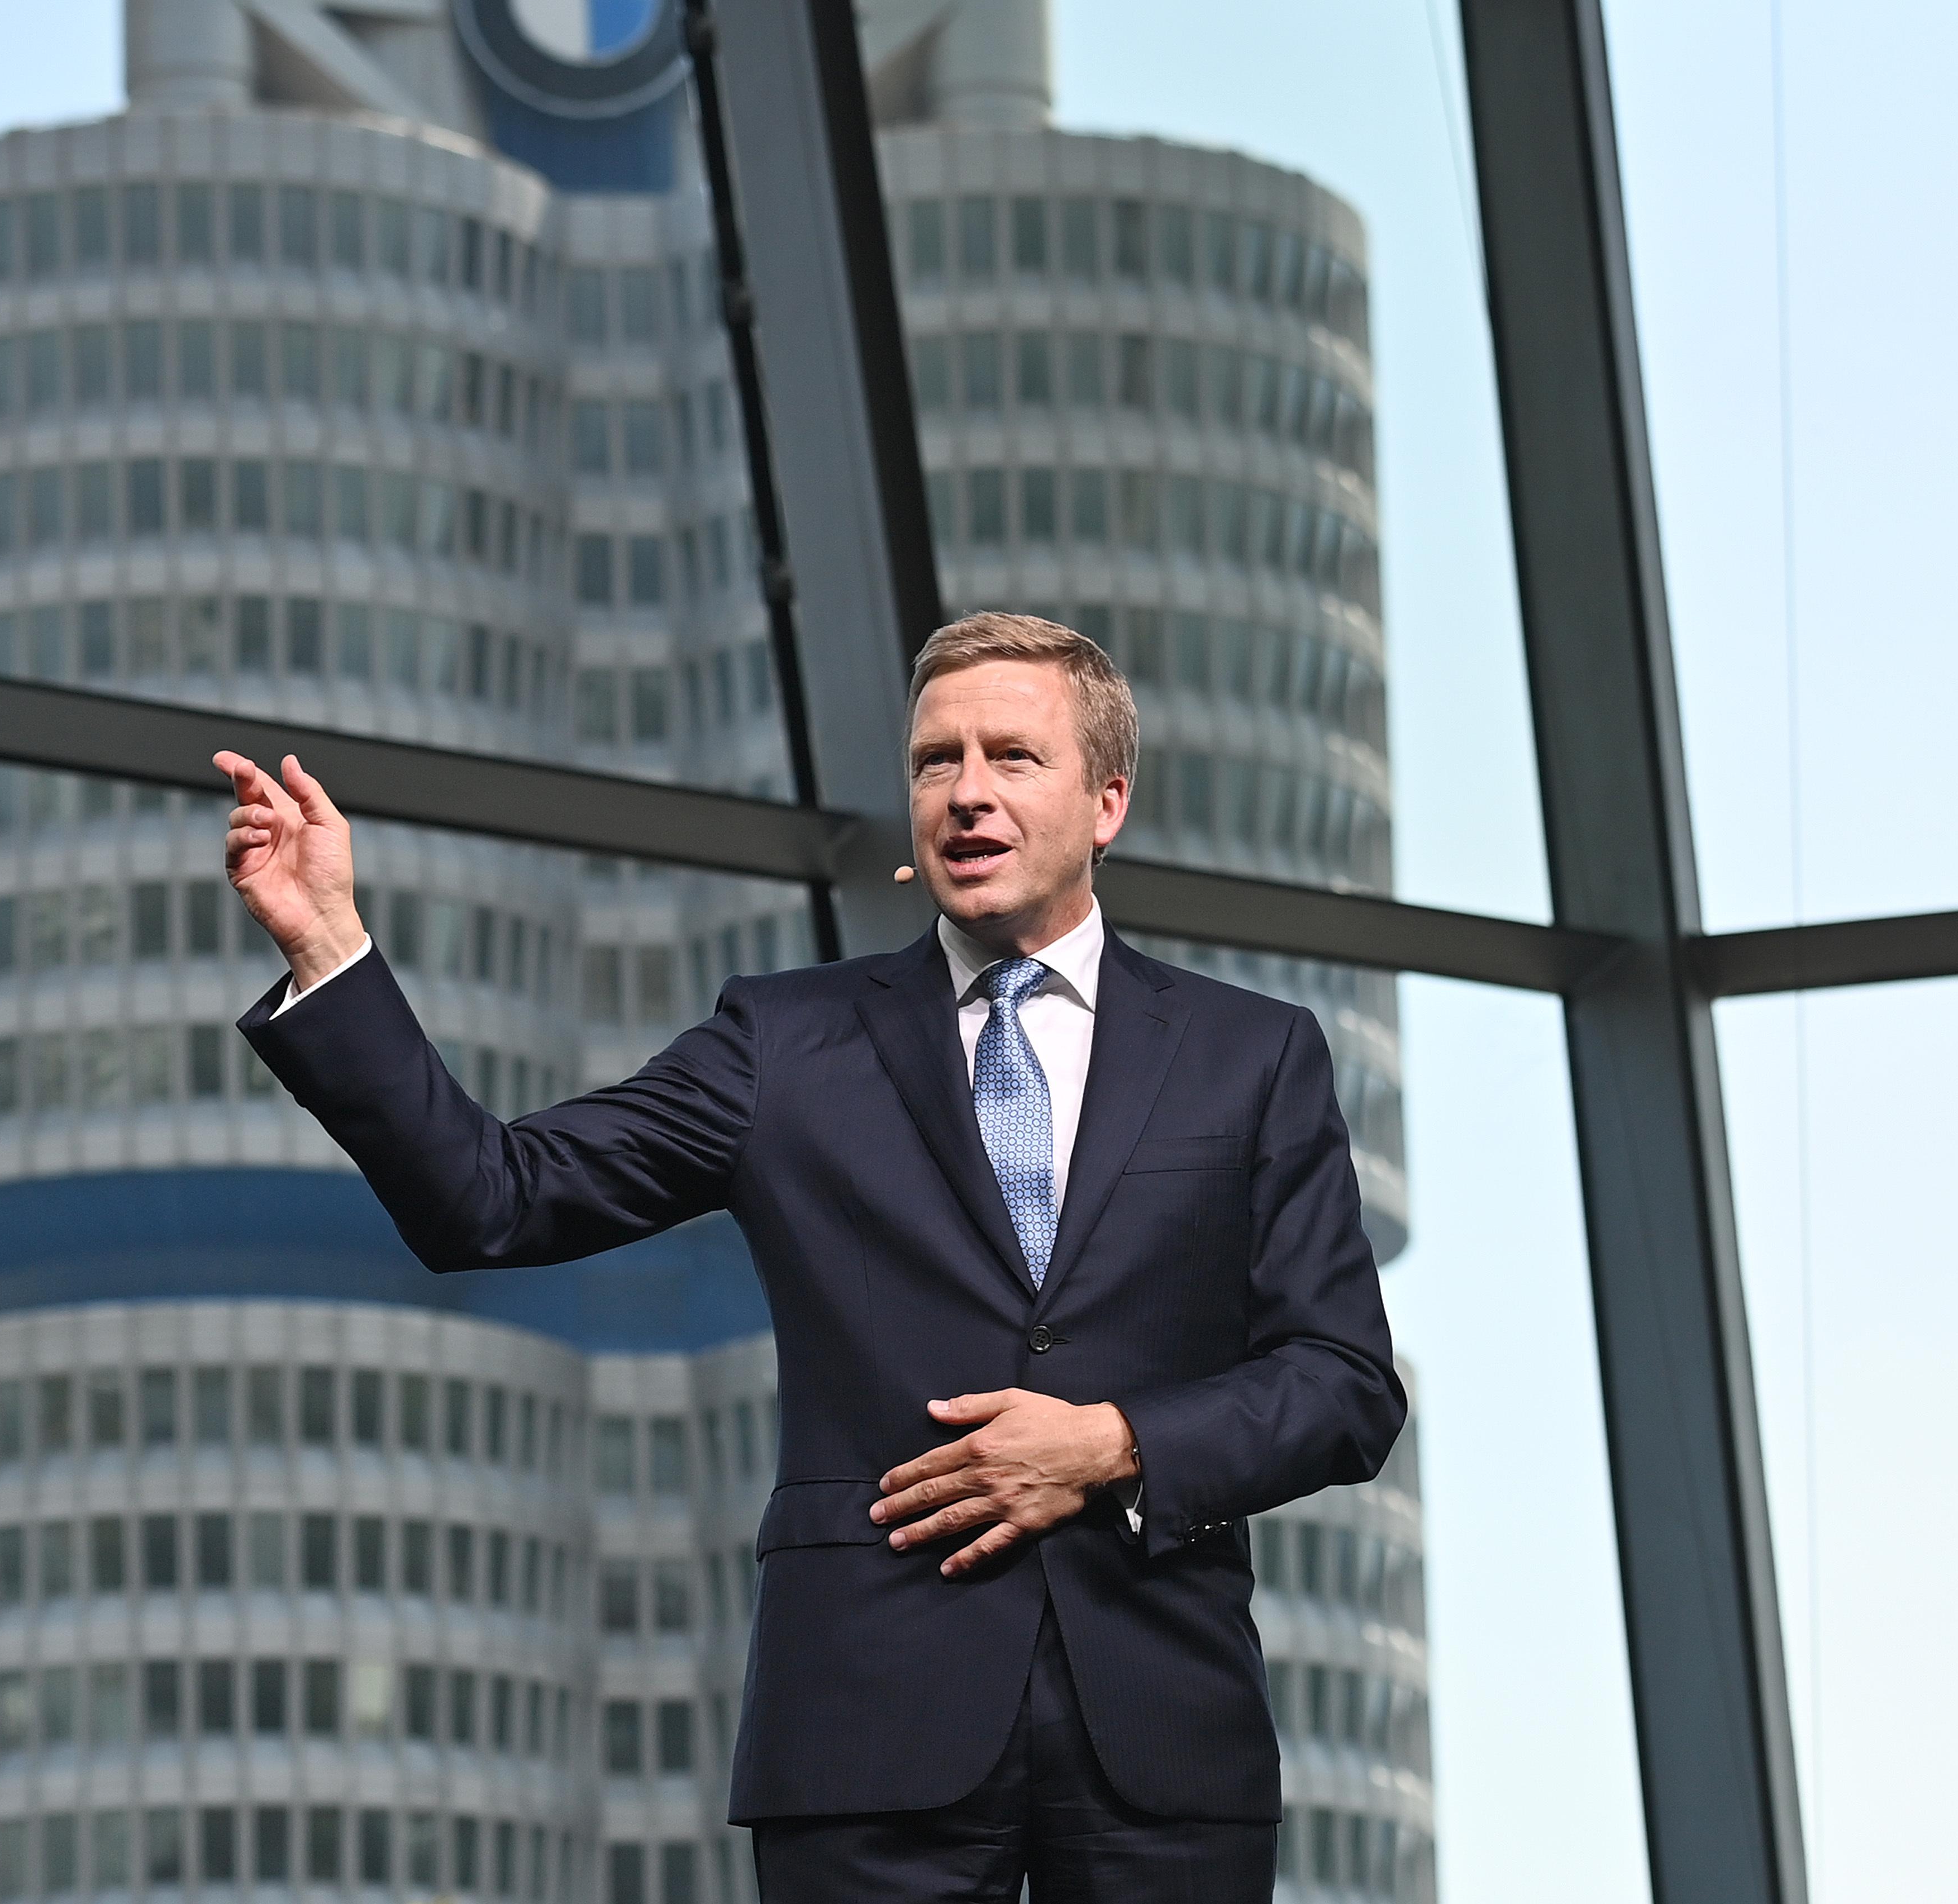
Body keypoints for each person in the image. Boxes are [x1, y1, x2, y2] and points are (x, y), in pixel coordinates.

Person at [213, 612, 1406, 1903]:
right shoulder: (782, 1043)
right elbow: (490, 1199)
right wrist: (328, 945)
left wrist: (1112, 1442)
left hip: (1164, 1729)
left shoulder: (1251, 1055)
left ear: (1107, 800)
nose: (966, 792)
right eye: (936, 761)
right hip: (867, 1728)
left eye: (1013, 756)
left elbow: (1344, 1383)